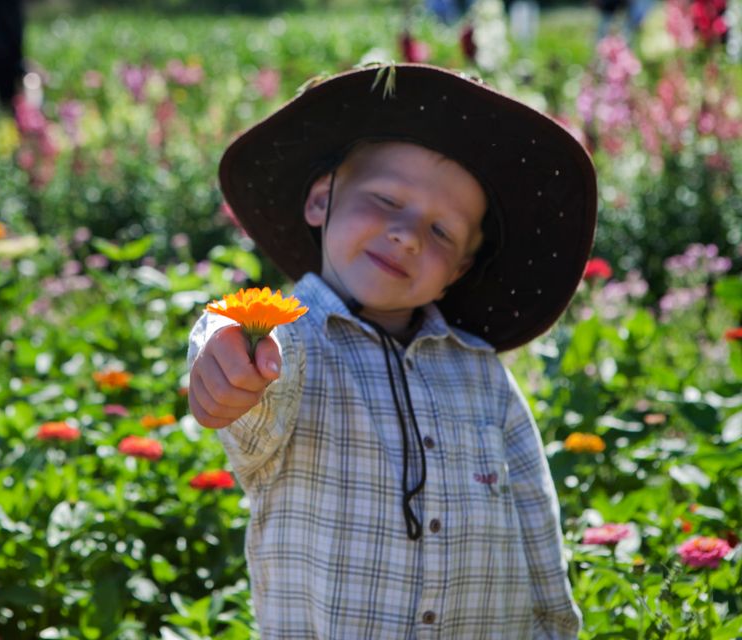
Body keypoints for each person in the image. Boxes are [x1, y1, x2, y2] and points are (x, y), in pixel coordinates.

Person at [187, 64, 597, 637]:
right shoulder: (293, 345)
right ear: (321, 199)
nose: (406, 234)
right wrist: (228, 357)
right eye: (385, 199)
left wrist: (557, 626)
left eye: (443, 233)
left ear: (457, 273)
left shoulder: (481, 373)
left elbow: (535, 517)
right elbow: (244, 364)